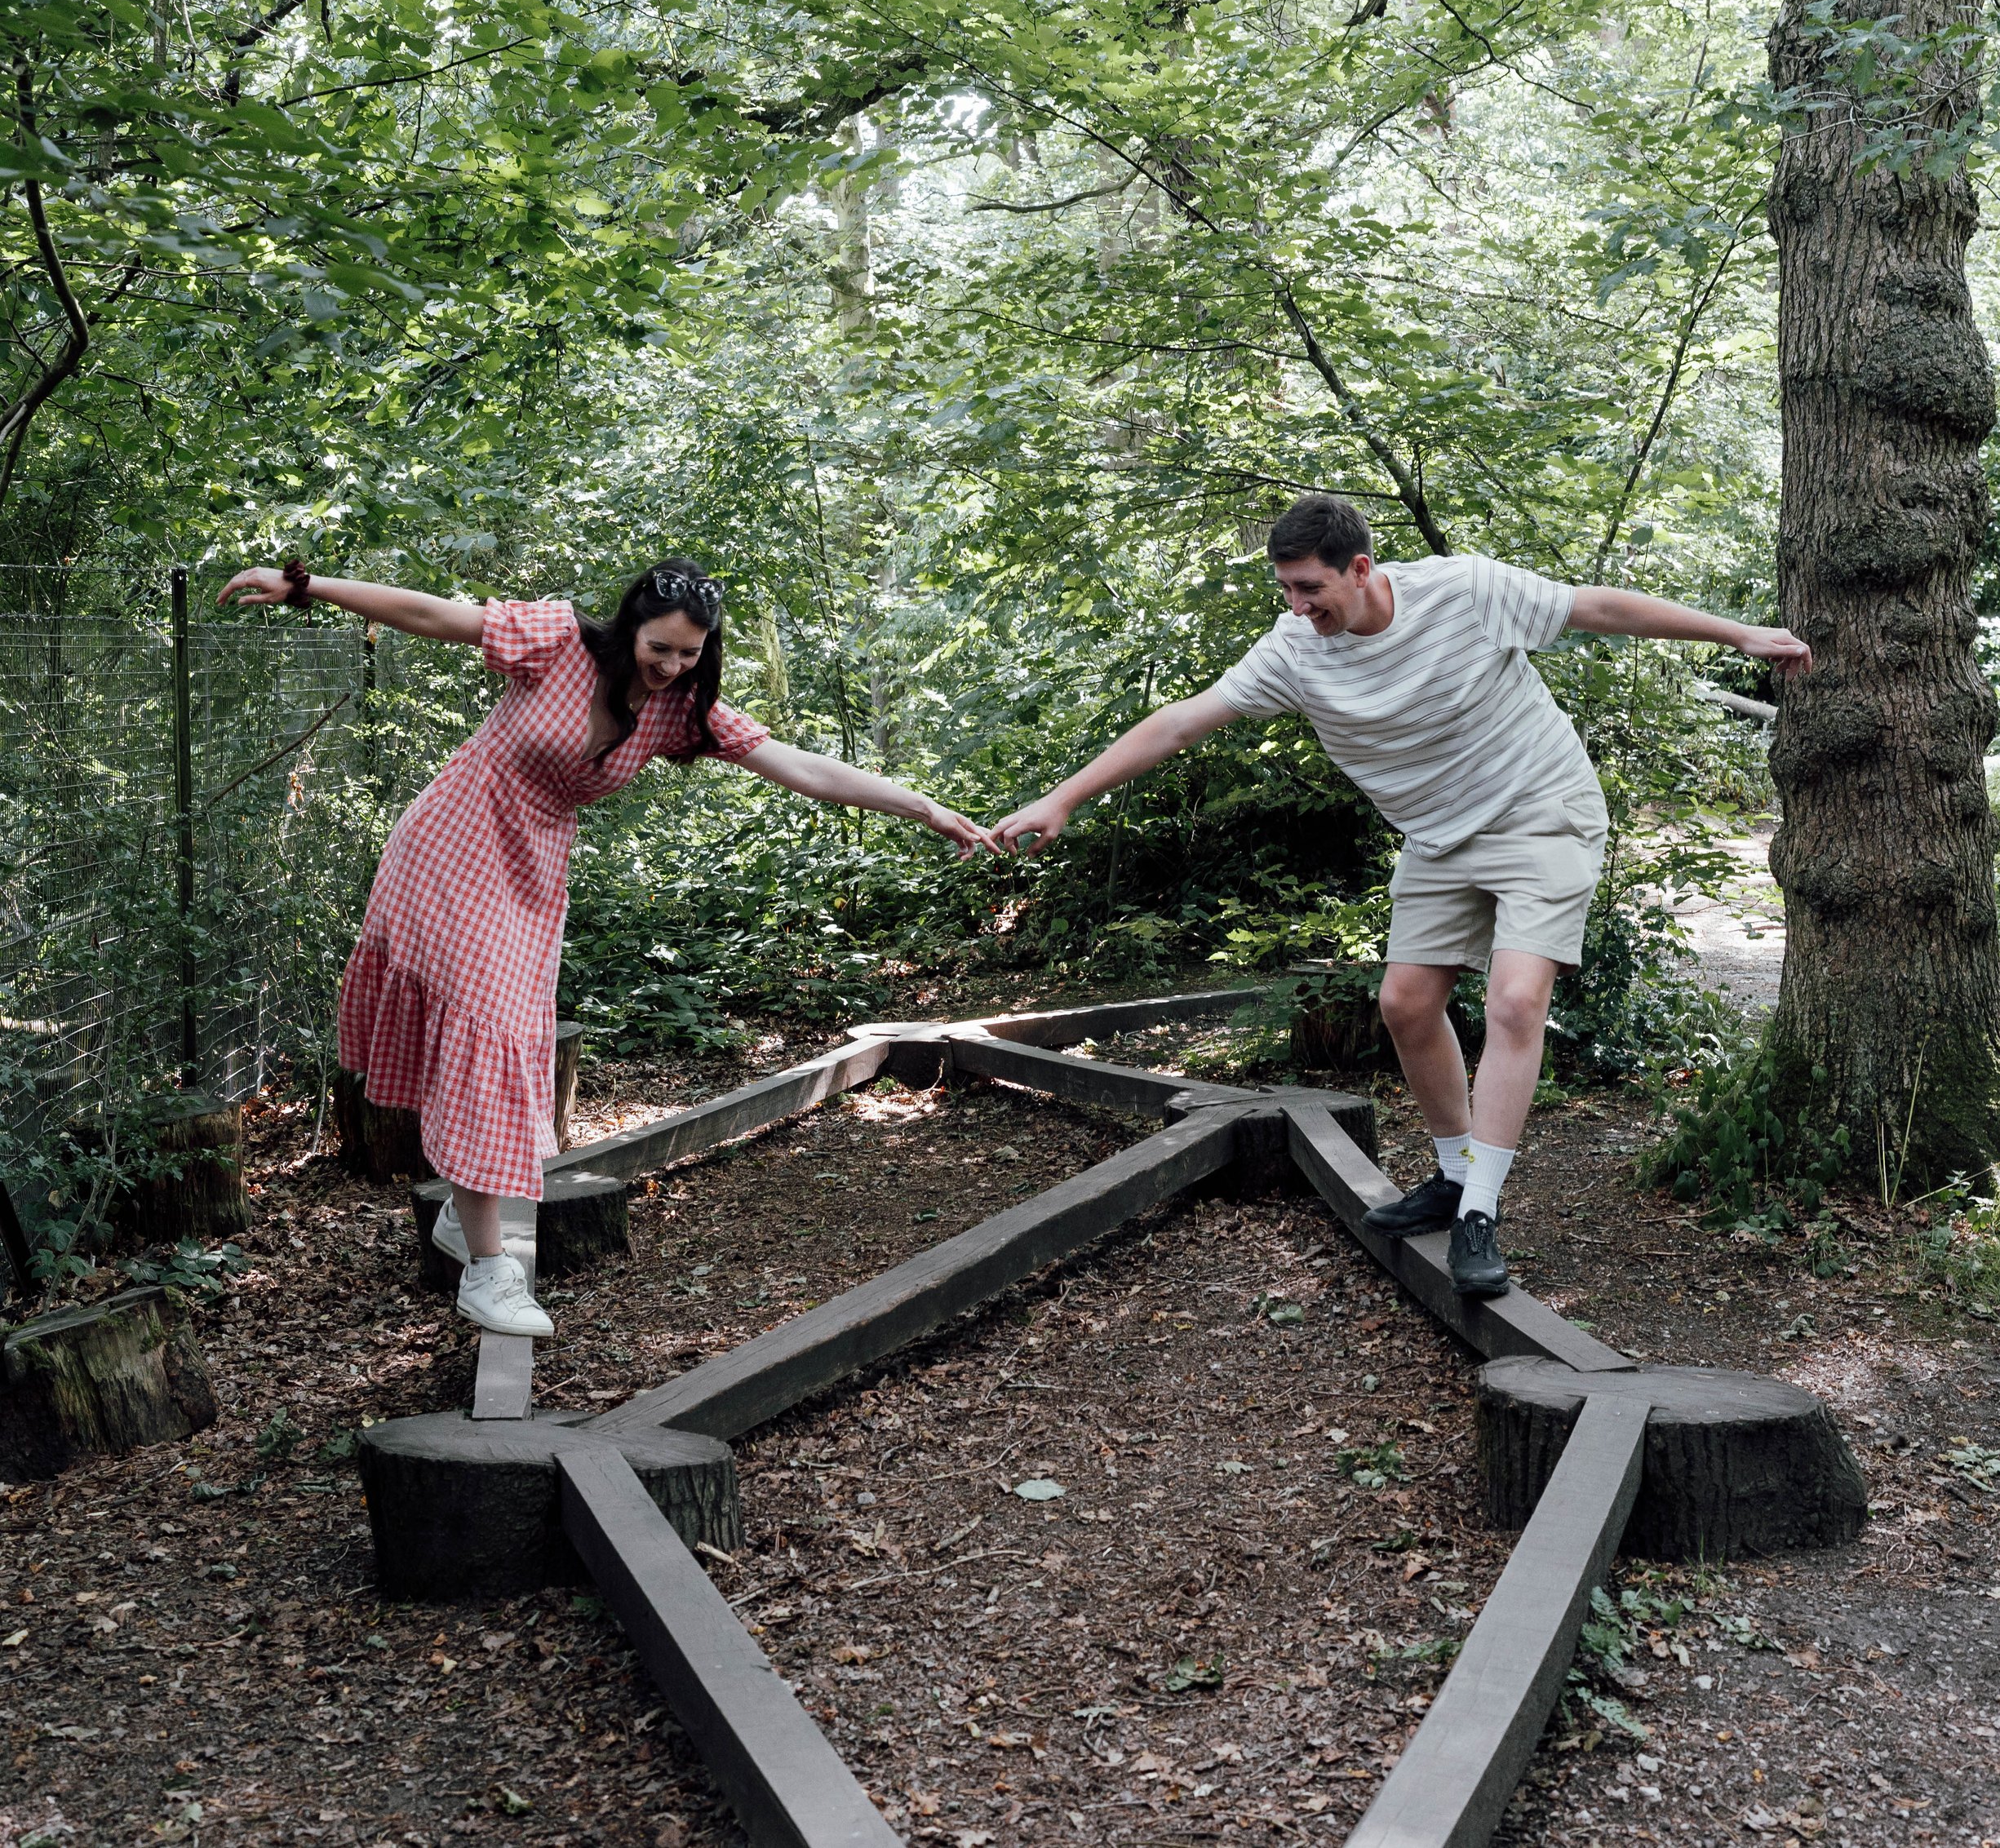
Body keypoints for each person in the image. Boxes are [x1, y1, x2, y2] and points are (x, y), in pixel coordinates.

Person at [989, 494, 1811, 1298]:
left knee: (1517, 1003)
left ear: (1360, 568)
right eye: (1284, 590)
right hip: (1437, 837)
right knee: (1405, 1006)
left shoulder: (1463, 592)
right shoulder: (1292, 651)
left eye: (1310, 588)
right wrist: (1063, 797)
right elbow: (1177, 724)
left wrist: (1733, 631)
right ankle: (1454, 1177)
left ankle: (1479, 1215)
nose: (1297, 606)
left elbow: (1594, 607)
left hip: (1540, 814)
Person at [219, 556, 995, 1337]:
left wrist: (923, 807)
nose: (672, 665)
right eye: (661, 647)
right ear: (631, 626)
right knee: (486, 1027)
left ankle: (464, 1209)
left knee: (509, 1038)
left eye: (690, 653)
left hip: (528, 873)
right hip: (451, 844)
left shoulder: (679, 709)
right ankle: (489, 1273)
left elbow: (799, 766)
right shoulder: (556, 639)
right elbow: (434, 614)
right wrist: (309, 586)